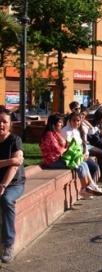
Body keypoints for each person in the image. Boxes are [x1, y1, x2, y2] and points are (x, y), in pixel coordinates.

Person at [39, 113, 102, 197]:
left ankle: (87, 187)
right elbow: (59, 151)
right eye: (59, 122)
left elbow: (65, 147)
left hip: (60, 158)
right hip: (52, 161)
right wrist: (68, 148)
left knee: (83, 163)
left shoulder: (56, 133)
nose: (61, 124)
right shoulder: (49, 135)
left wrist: (69, 148)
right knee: (78, 164)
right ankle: (85, 188)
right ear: (53, 123)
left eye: (62, 122)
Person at [0, 106, 25, 263]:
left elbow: (16, 166)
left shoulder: (15, 140)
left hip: (14, 184)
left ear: (10, 124)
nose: (1, 125)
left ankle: (8, 244)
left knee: (7, 200)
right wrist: (10, 160)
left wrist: (2, 186)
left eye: (4, 122)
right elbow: (14, 161)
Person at [61, 112, 102, 195]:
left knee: (94, 166)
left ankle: (91, 186)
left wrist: (86, 152)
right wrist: (81, 155)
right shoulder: (66, 131)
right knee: (85, 165)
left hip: (80, 155)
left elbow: (82, 144)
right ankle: (88, 187)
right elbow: (70, 148)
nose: (76, 123)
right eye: (74, 120)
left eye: (78, 121)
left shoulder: (77, 130)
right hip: (71, 157)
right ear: (69, 120)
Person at [80, 107, 102, 181]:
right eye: (82, 114)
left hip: (87, 144)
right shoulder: (77, 122)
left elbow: (92, 131)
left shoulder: (83, 122)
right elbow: (91, 134)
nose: (83, 116)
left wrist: (87, 123)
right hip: (83, 146)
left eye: (85, 115)